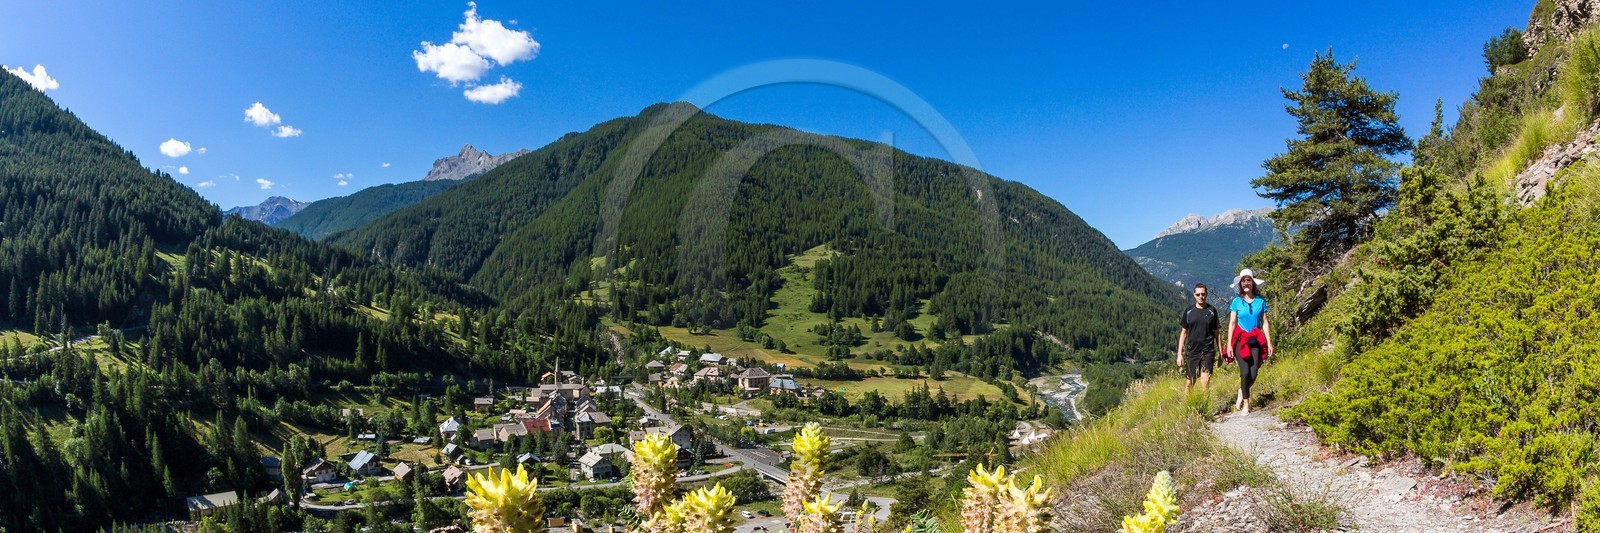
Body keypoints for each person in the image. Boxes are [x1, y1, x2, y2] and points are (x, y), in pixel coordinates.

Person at [1225, 268, 1272, 415]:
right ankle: (1246, 404)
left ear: (1252, 283)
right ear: (1240, 284)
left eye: (1248, 280)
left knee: (1253, 374)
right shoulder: (1237, 302)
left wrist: (1269, 343)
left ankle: (1242, 390)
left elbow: (1264, 322)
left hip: (1256, 340)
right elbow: (1232, 323)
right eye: (1243, 281)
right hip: (1241, 341)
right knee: (1245, 373)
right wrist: (1229, 345)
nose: (1246, 283)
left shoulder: (1260, 301)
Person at [1176, 283, 1221, 393]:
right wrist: (1179, 354)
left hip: (1207, 351)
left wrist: (1221, 353)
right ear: (1194, 295)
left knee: (1205, 381)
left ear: (1206, 294)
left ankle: (1204, 408)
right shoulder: (1189, 311)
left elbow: (1217, 333)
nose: (1201, 297)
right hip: (1192, 352)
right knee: (1190, 383)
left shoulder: (1212, 311)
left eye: (1203, 294)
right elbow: (1183, 333)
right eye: (1198, 294)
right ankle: (1188, 407)